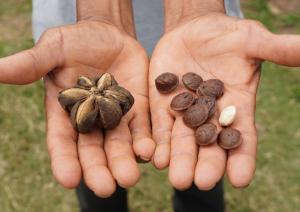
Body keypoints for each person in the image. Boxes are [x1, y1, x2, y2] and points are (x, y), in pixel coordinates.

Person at [0, 0, 300, 211]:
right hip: (85, 40)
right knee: (98, 167)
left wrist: (197, 9)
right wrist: (101, 16)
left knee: (198, 164)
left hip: (202, 44)